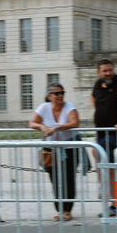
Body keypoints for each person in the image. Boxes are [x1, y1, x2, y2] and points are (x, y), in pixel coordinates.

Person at [30, 84, 80, 221]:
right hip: (51, 149)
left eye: (62, 92)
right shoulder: (44, 107)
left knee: (69, 179)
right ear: (49, 96)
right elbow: (32, 123)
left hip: (69, 148)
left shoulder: (69, 107)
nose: (60, 95)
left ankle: (67, 210)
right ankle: (60, 210)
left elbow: (74, 123)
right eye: (57, 93)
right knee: (55, 179)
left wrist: (57, 127)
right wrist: (42, 126)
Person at [89, 59, 117, 216]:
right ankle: (111, 198)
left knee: (101, 156)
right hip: (101, 130)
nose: (108, 73)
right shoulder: (97, 84)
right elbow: (93, 98)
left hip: (115, 131)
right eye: (105, 71)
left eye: (110, 70)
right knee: (106, 163)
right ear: (98, 72)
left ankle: (112, 199)